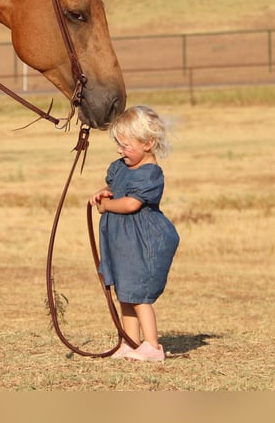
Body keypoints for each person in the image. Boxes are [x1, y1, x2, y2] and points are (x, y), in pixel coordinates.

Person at [89, 105, 179, 362]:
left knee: (139, 294)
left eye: (126, 145)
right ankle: (131, 342)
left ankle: (152, 346)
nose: (120, 150)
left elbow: (131, 204)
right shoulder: (120, 167)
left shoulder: (150, 174)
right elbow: (114, 186)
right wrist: (103, 191)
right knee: (125, 292)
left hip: (142, 242)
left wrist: (106, 206)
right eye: (118, 144)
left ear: (148, 143)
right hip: (121, 242)